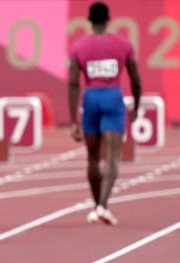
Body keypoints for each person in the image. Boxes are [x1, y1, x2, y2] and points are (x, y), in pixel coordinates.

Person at [68, 1, 141, 225]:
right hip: (112, 98)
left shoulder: (79, 47)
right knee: (112, 155)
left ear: (90, 21)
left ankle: (96, 204)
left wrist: (73, 121)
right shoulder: (123, 44)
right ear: (108, 20)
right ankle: (103, 205)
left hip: (90, 99)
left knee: (92, 157)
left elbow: (72, 84)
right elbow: (135, 79)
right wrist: (136, 106)